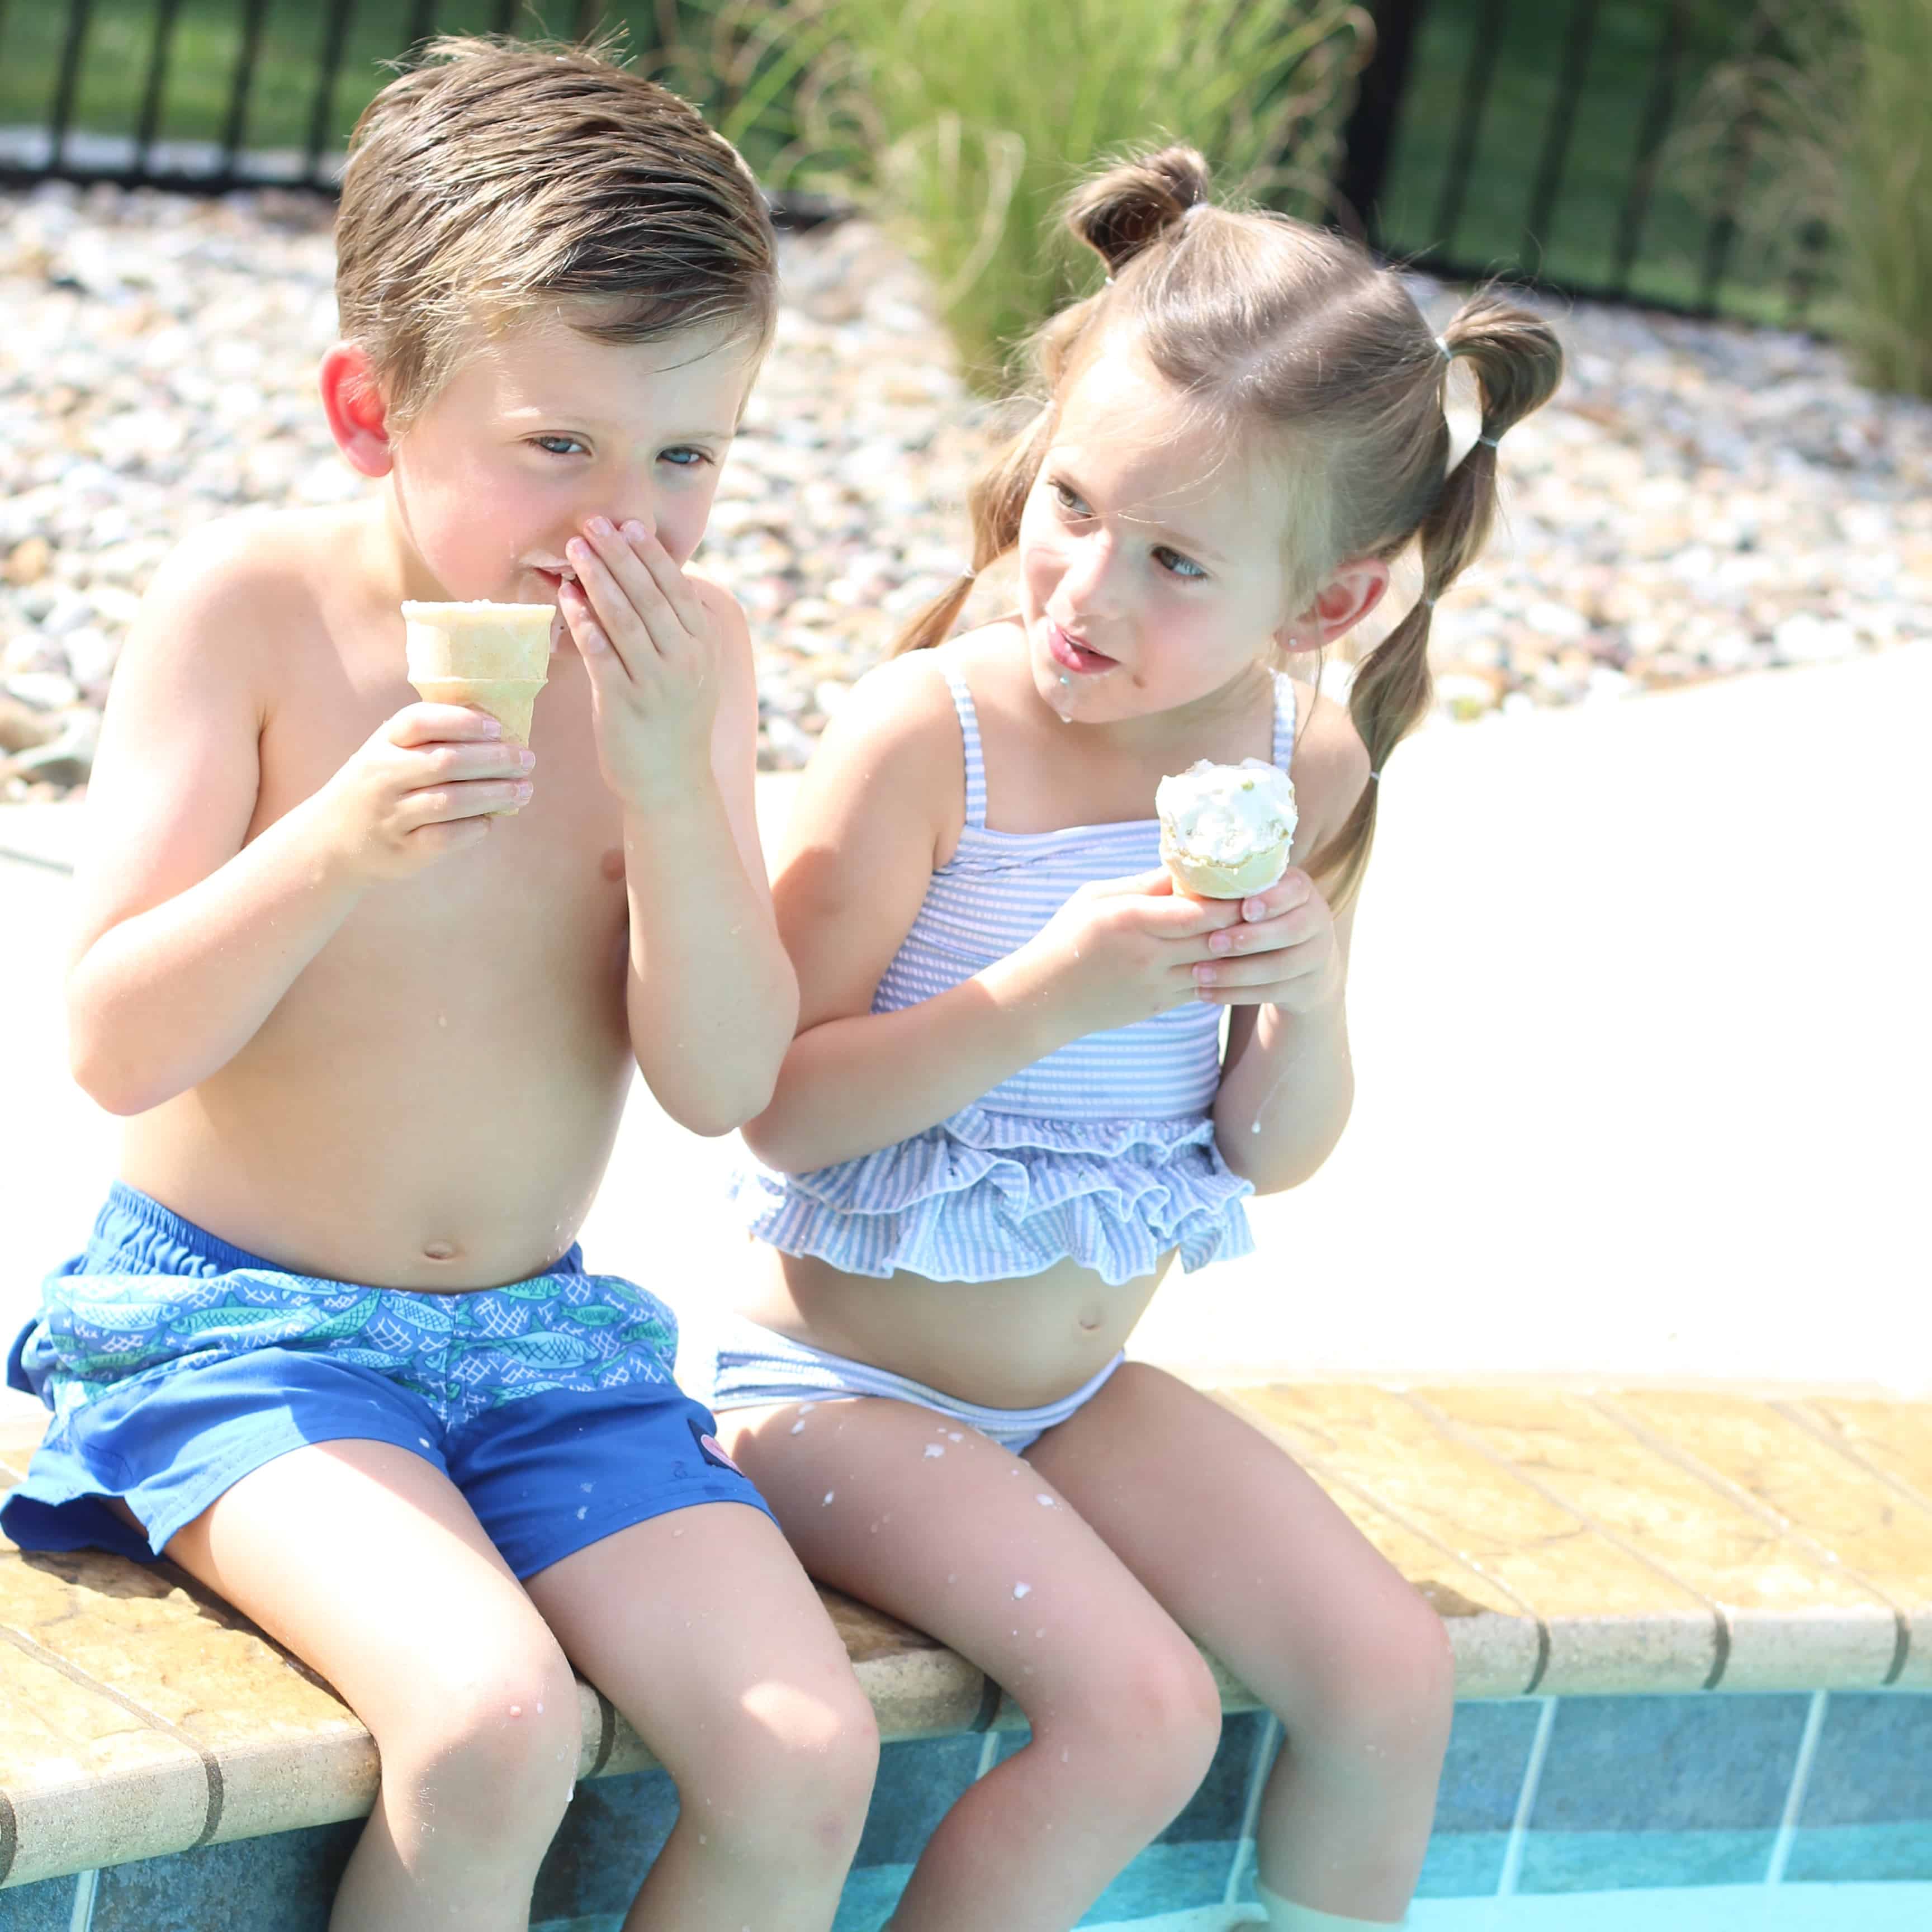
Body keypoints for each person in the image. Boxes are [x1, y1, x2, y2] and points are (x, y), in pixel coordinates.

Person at [1, 39, 877, 1932]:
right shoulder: (253, 611)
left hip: (538, 1345)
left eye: (684, 453)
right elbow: (112, 1043)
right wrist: (328, 847)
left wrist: (666, 791)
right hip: (233, 1331)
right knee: (491, 1728)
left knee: (807, 1755)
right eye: (557, 445)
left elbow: (724, 1075)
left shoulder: (691, 660)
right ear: (368, 408)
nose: (620, 515)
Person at [714, 146, 1562, 1931]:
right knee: (1143, 1718)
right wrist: (1052, 996)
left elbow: (1269, 1146)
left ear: (1327, 606)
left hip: (1077, 1397)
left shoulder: (1296, 769)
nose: (1086, 588)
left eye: (1174, 559)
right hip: (836, 1397)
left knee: (1395, 1680)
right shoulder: (926, 741)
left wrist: (1311, 1001)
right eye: (1075, 505)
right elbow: (779, 1109)